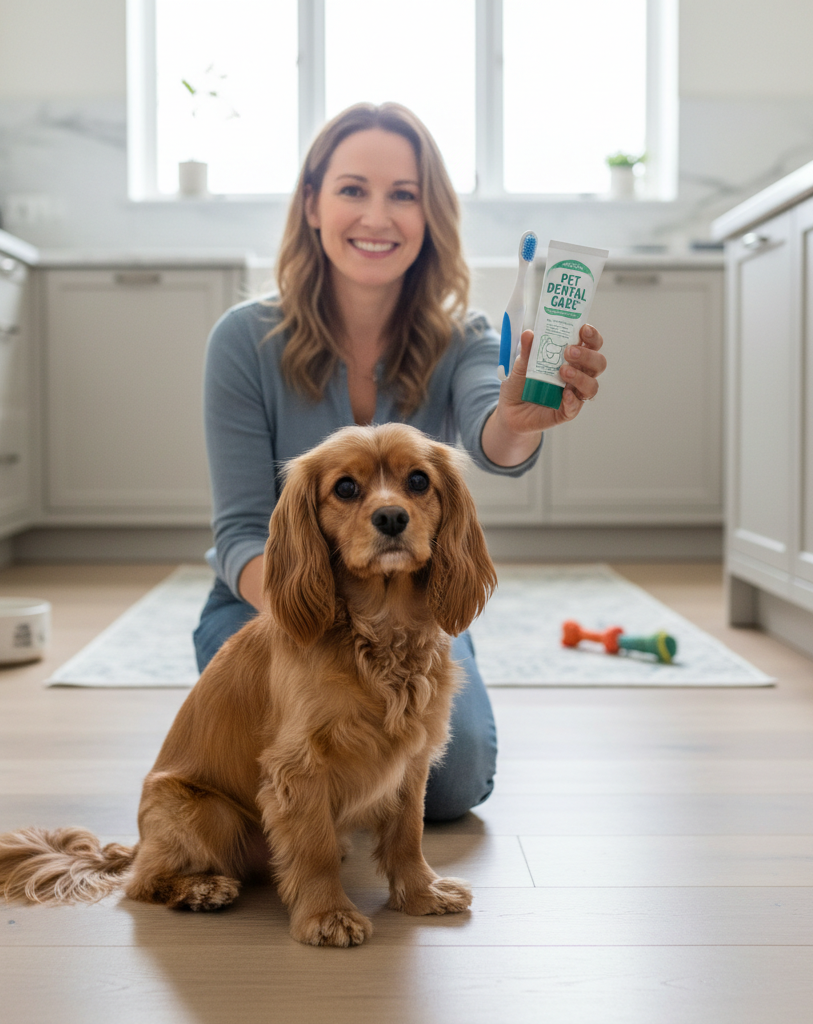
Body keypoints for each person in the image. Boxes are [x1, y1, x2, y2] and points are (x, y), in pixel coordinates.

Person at [194, 102, 606, 821]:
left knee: (451, 784)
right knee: (274, 758)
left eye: (404, 194)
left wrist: (518, 418)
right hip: (277, 604)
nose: (377, 217)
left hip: (408, 612)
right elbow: (237, 534)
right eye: (353, 189)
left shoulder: (465, 338)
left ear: (431, 216)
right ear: (312, 205)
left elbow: (493, 437)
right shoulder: (242, 341)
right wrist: (335, 650)